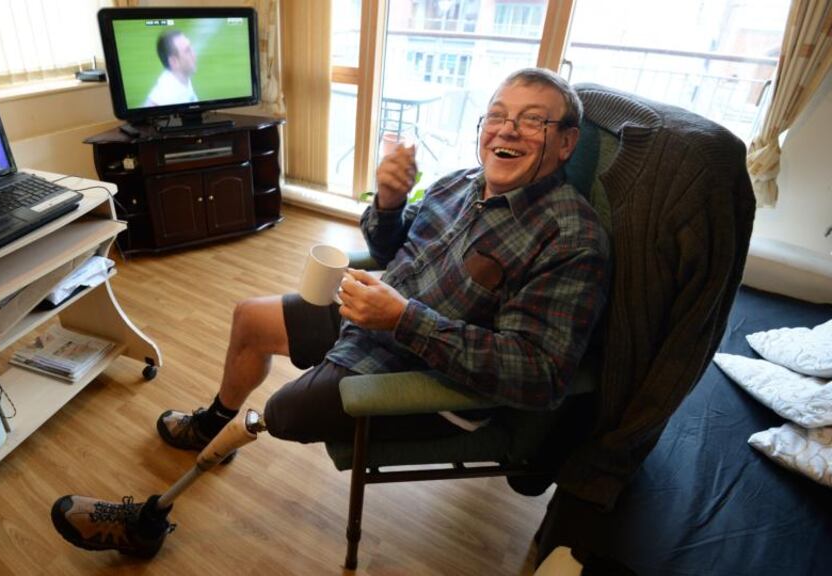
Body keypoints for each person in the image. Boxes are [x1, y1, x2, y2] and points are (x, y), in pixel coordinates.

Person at [51, 67, 612, 556]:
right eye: (497, 115)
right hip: (377, 318)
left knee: (286, 413)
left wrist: (402, 319)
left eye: (533, 120)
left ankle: (147, 520)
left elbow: (540, 376)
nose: (508, 128)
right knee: (250, 317)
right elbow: (396, 250)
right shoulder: (458, 184)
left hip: (429, 372)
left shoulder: (570, 239)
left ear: (566, 143)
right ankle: (211, 425)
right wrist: (388, 205)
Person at [143, 29, 198, 107]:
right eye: (187, 51)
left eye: (190, 47)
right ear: (174, 62)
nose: (194, 54)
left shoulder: (181, 78)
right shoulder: (166, 95)